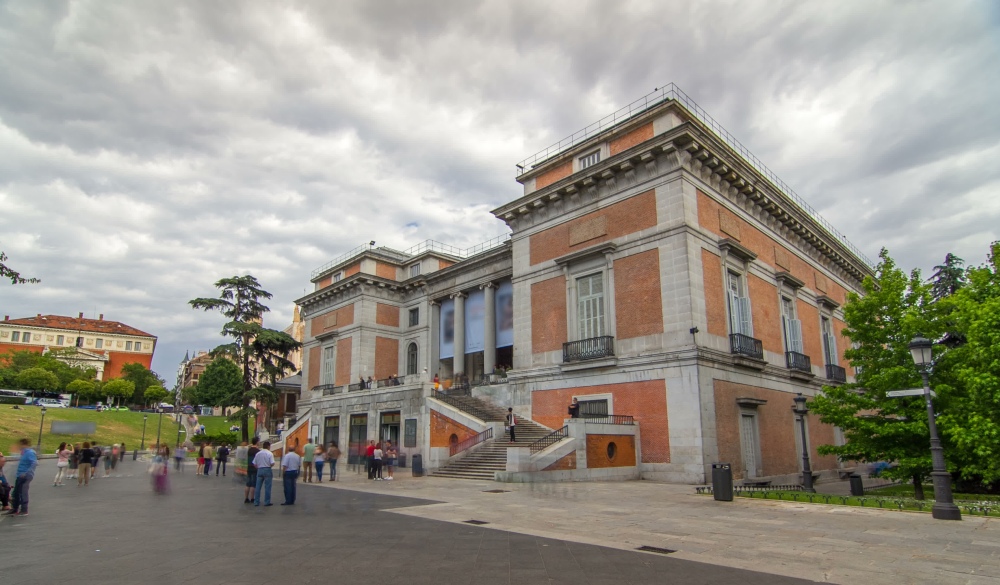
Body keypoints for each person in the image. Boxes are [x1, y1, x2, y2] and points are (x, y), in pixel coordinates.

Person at [5, 438, 37, 516]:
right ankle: (14, 508)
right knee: (16, 492)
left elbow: (34, 463)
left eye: (20, 444)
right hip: (20, 474)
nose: (19, 446)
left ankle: (24, 510)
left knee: (23, 492)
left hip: (25, 476)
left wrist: (26, 473)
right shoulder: (23, 452)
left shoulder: (30, 452)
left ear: (24, 444)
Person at [252, 441, 275, 507]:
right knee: (267, 486)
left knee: (258, 487)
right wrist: (269, 466)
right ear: (268, 446)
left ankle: (256, 501)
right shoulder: (269, 453)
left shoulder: (258, 453)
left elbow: (254, 463)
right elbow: (272, 463)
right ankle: (267, 502)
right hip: (267, 469)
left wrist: (258, 468)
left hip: (259, 469)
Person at [244, 438, 260, 504]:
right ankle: (252, 498)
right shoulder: (257, 451)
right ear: (257, 442)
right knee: (253, 484)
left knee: (248, 484)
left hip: (249, 468)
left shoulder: (249, 450)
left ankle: (246, 498)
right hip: (254, 468)